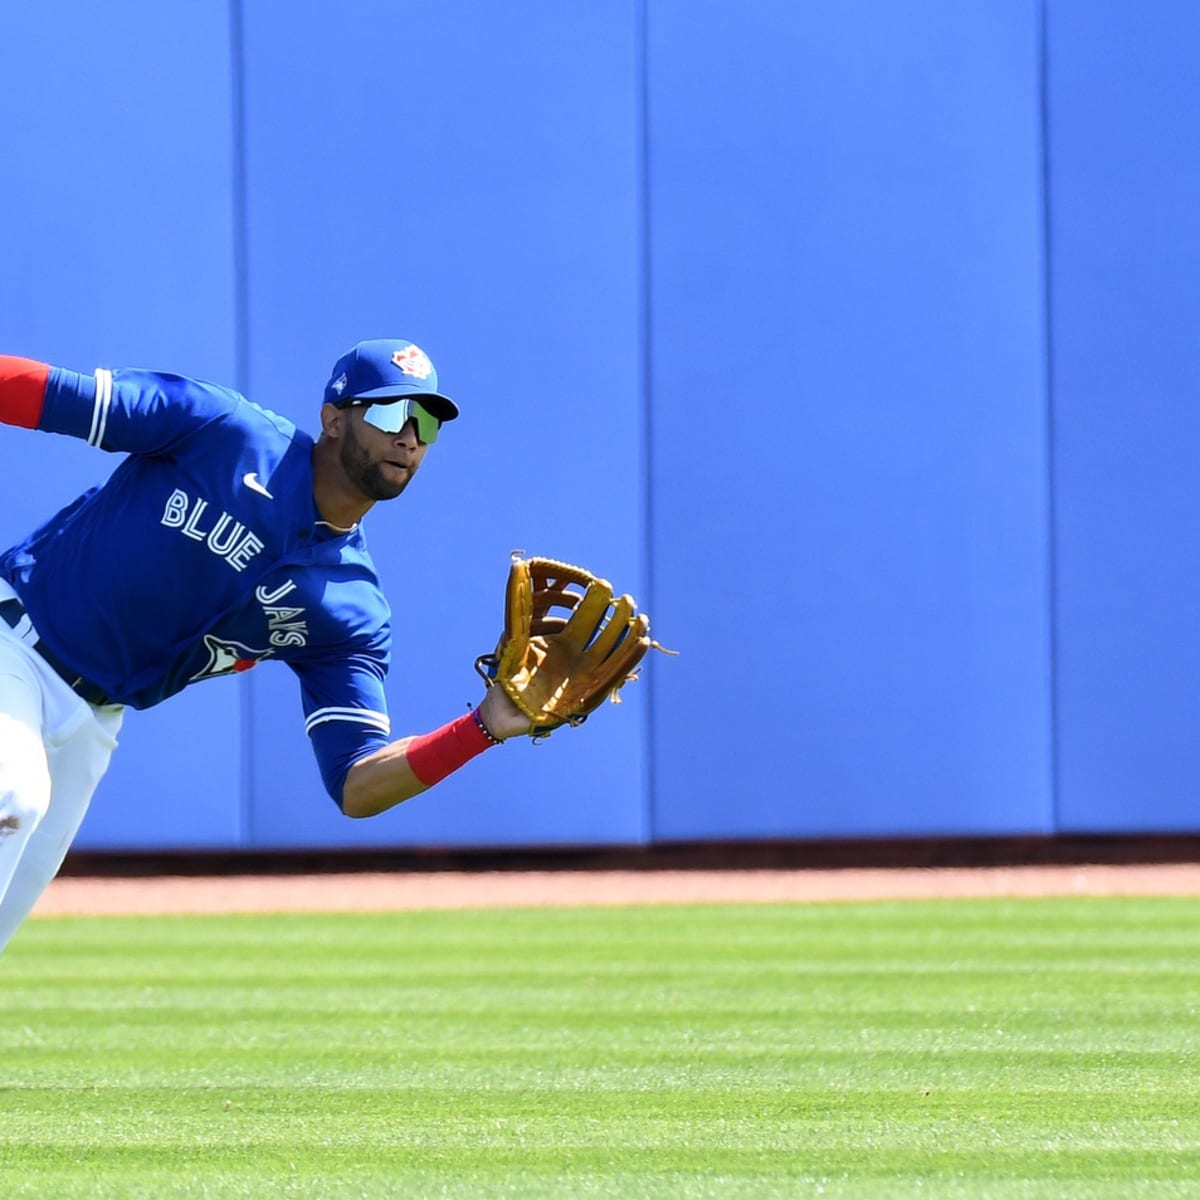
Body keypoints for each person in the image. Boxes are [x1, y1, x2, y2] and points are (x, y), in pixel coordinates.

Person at [0, 339, 531, 953]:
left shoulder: (351, 607)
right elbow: (46, 393)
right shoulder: (223, 430)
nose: (409, 436)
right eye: (389, 414)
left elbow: (356, 784)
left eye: (427, 421)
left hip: (95, 722)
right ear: (334, 419)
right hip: (14, 640)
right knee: (15, 798)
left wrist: (483, 726)